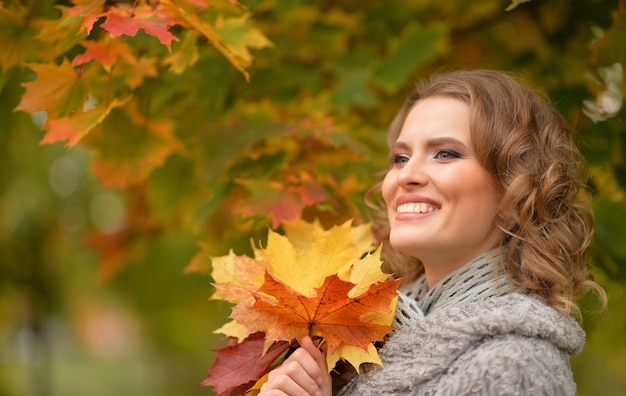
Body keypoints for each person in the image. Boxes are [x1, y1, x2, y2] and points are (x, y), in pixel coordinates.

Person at [258, 69, 607, 395]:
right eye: (400, 157)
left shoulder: (515, 366)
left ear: (516, 188)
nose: (407, 174)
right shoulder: (355, 338)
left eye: (444, 153)